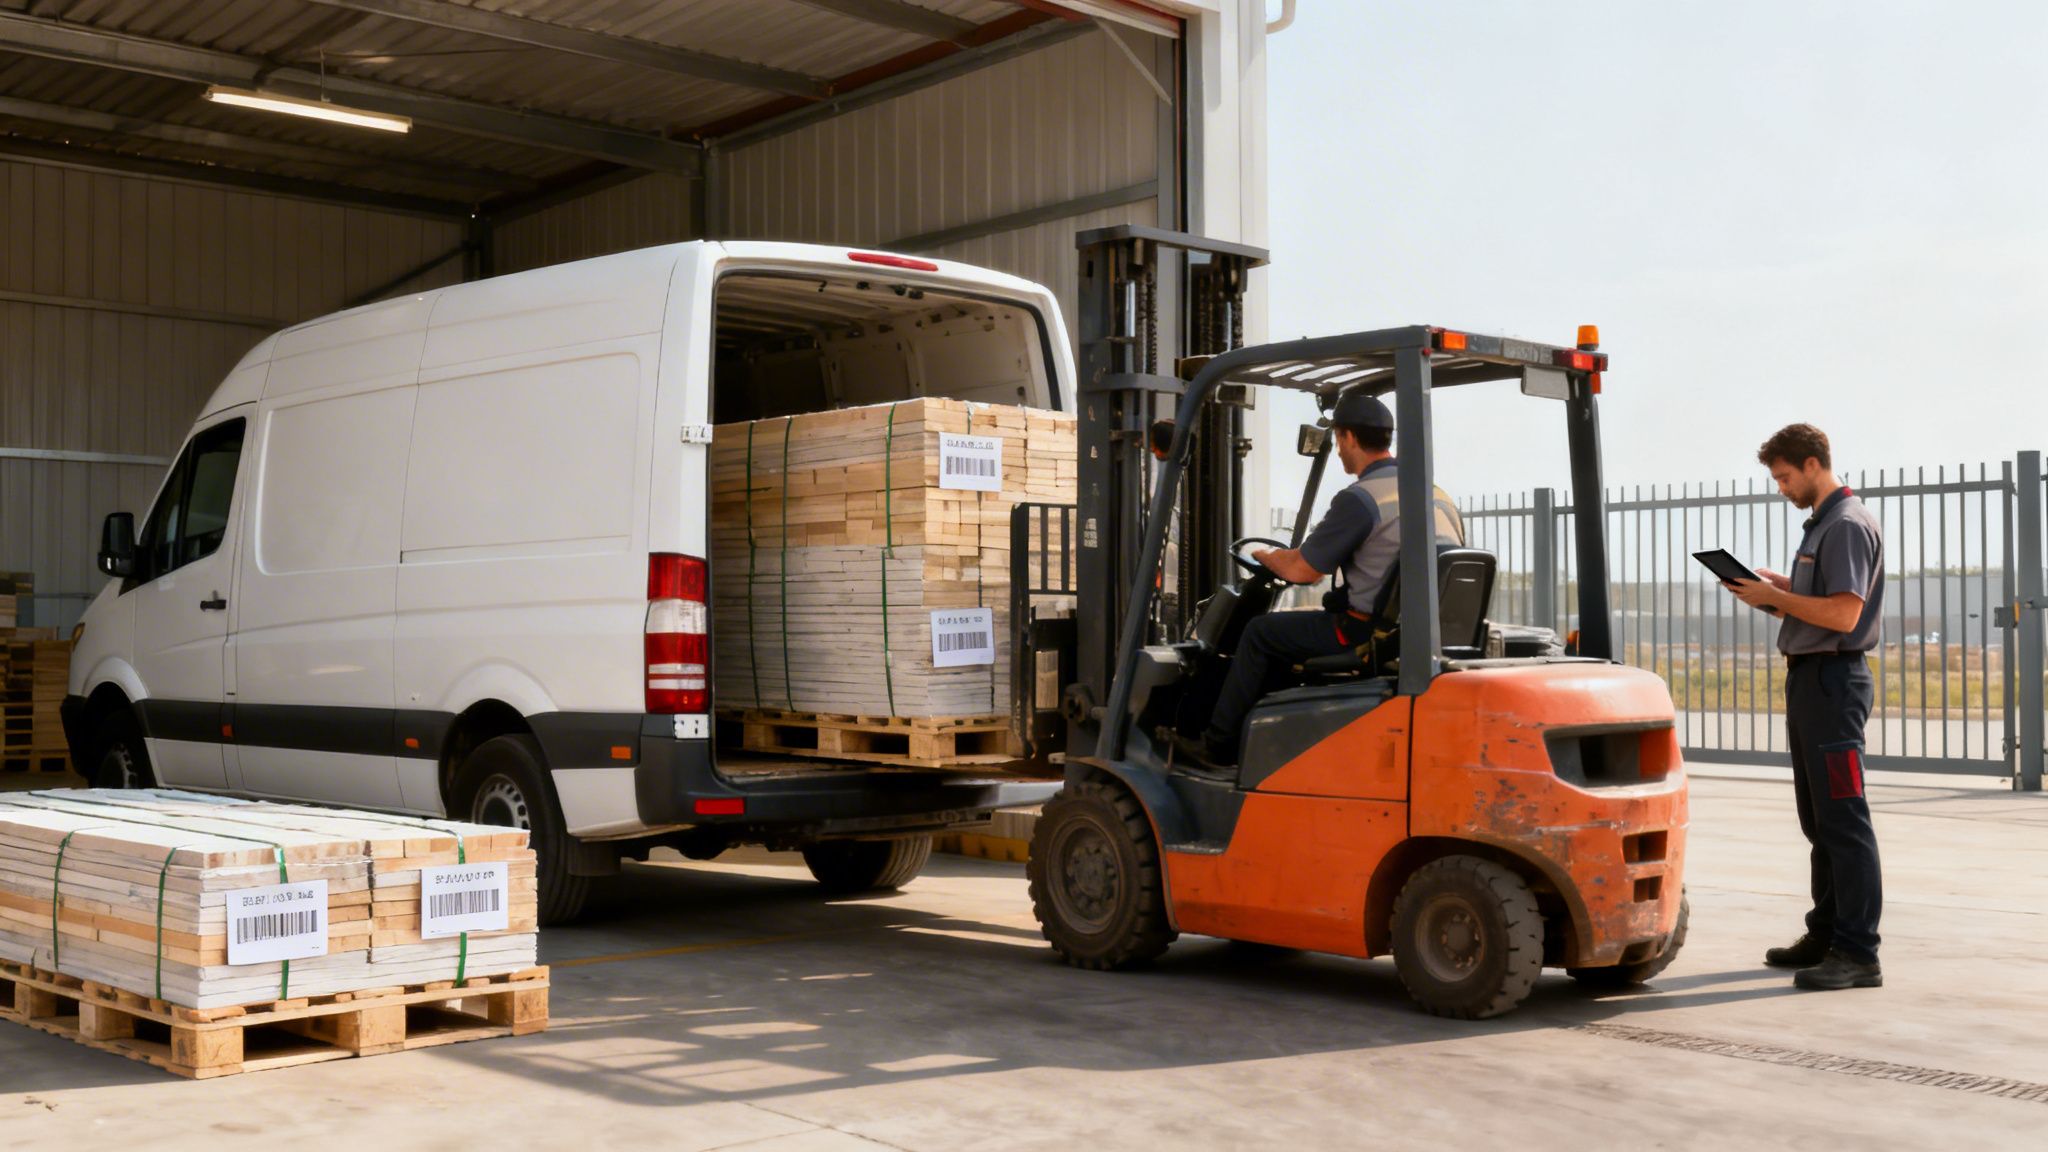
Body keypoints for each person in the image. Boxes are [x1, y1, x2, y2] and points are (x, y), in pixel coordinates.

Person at [1190, 389, 1464, 767]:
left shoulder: (1363, 498)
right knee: (1289, 634)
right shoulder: (1435, 494)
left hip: (1365, 632)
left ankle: (1217, 746)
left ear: (1349, 437)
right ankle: (1268, 742)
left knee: (1259, 633)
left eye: (1337, 439)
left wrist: (1266, 557)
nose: (1337, 450)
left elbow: (1304, 570)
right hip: (1413, 633)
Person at [1724, 423, 1885, 992]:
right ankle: (1826, 933)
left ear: (1814, 464)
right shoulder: (1822, 526)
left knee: (1844, 819)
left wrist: (1777, 597)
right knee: (1819, 821)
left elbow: (1844, 616)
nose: (1782, 488)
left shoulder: (1845, 525)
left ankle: (1859, 953)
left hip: (1834, 685)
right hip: (1810, 682)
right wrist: (1774, 595)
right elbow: (1817, 607)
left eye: (1786, 477)